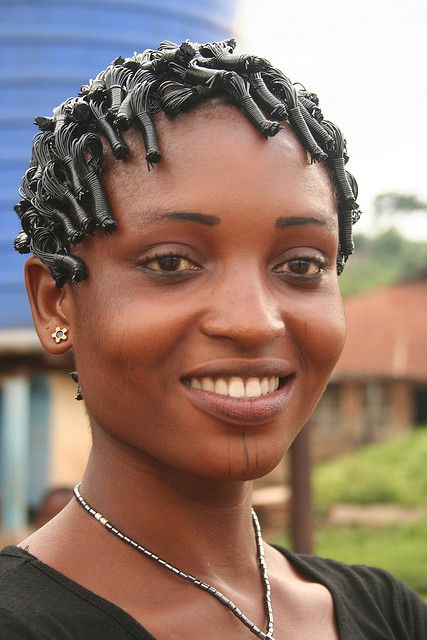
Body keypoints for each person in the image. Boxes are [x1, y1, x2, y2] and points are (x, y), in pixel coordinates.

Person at [0, 38, 425, 640]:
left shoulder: (391, 616)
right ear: (54, 302)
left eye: (301, 265)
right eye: (172, 262)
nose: (255, 322)